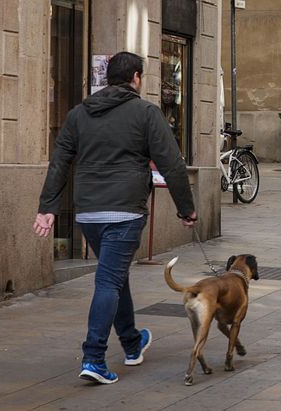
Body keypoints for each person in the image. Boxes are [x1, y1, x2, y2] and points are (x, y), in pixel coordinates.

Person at [34, 52, 197, 385]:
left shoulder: (79, 114)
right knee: (108, 281)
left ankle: (132, 343)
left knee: (115, 276)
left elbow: (59, 162)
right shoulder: (146, 113)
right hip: (125, 211)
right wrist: (187, 209)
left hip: (89, 213)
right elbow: (172, 163)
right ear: (136, 77)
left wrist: (48, 207)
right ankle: (94, 357)